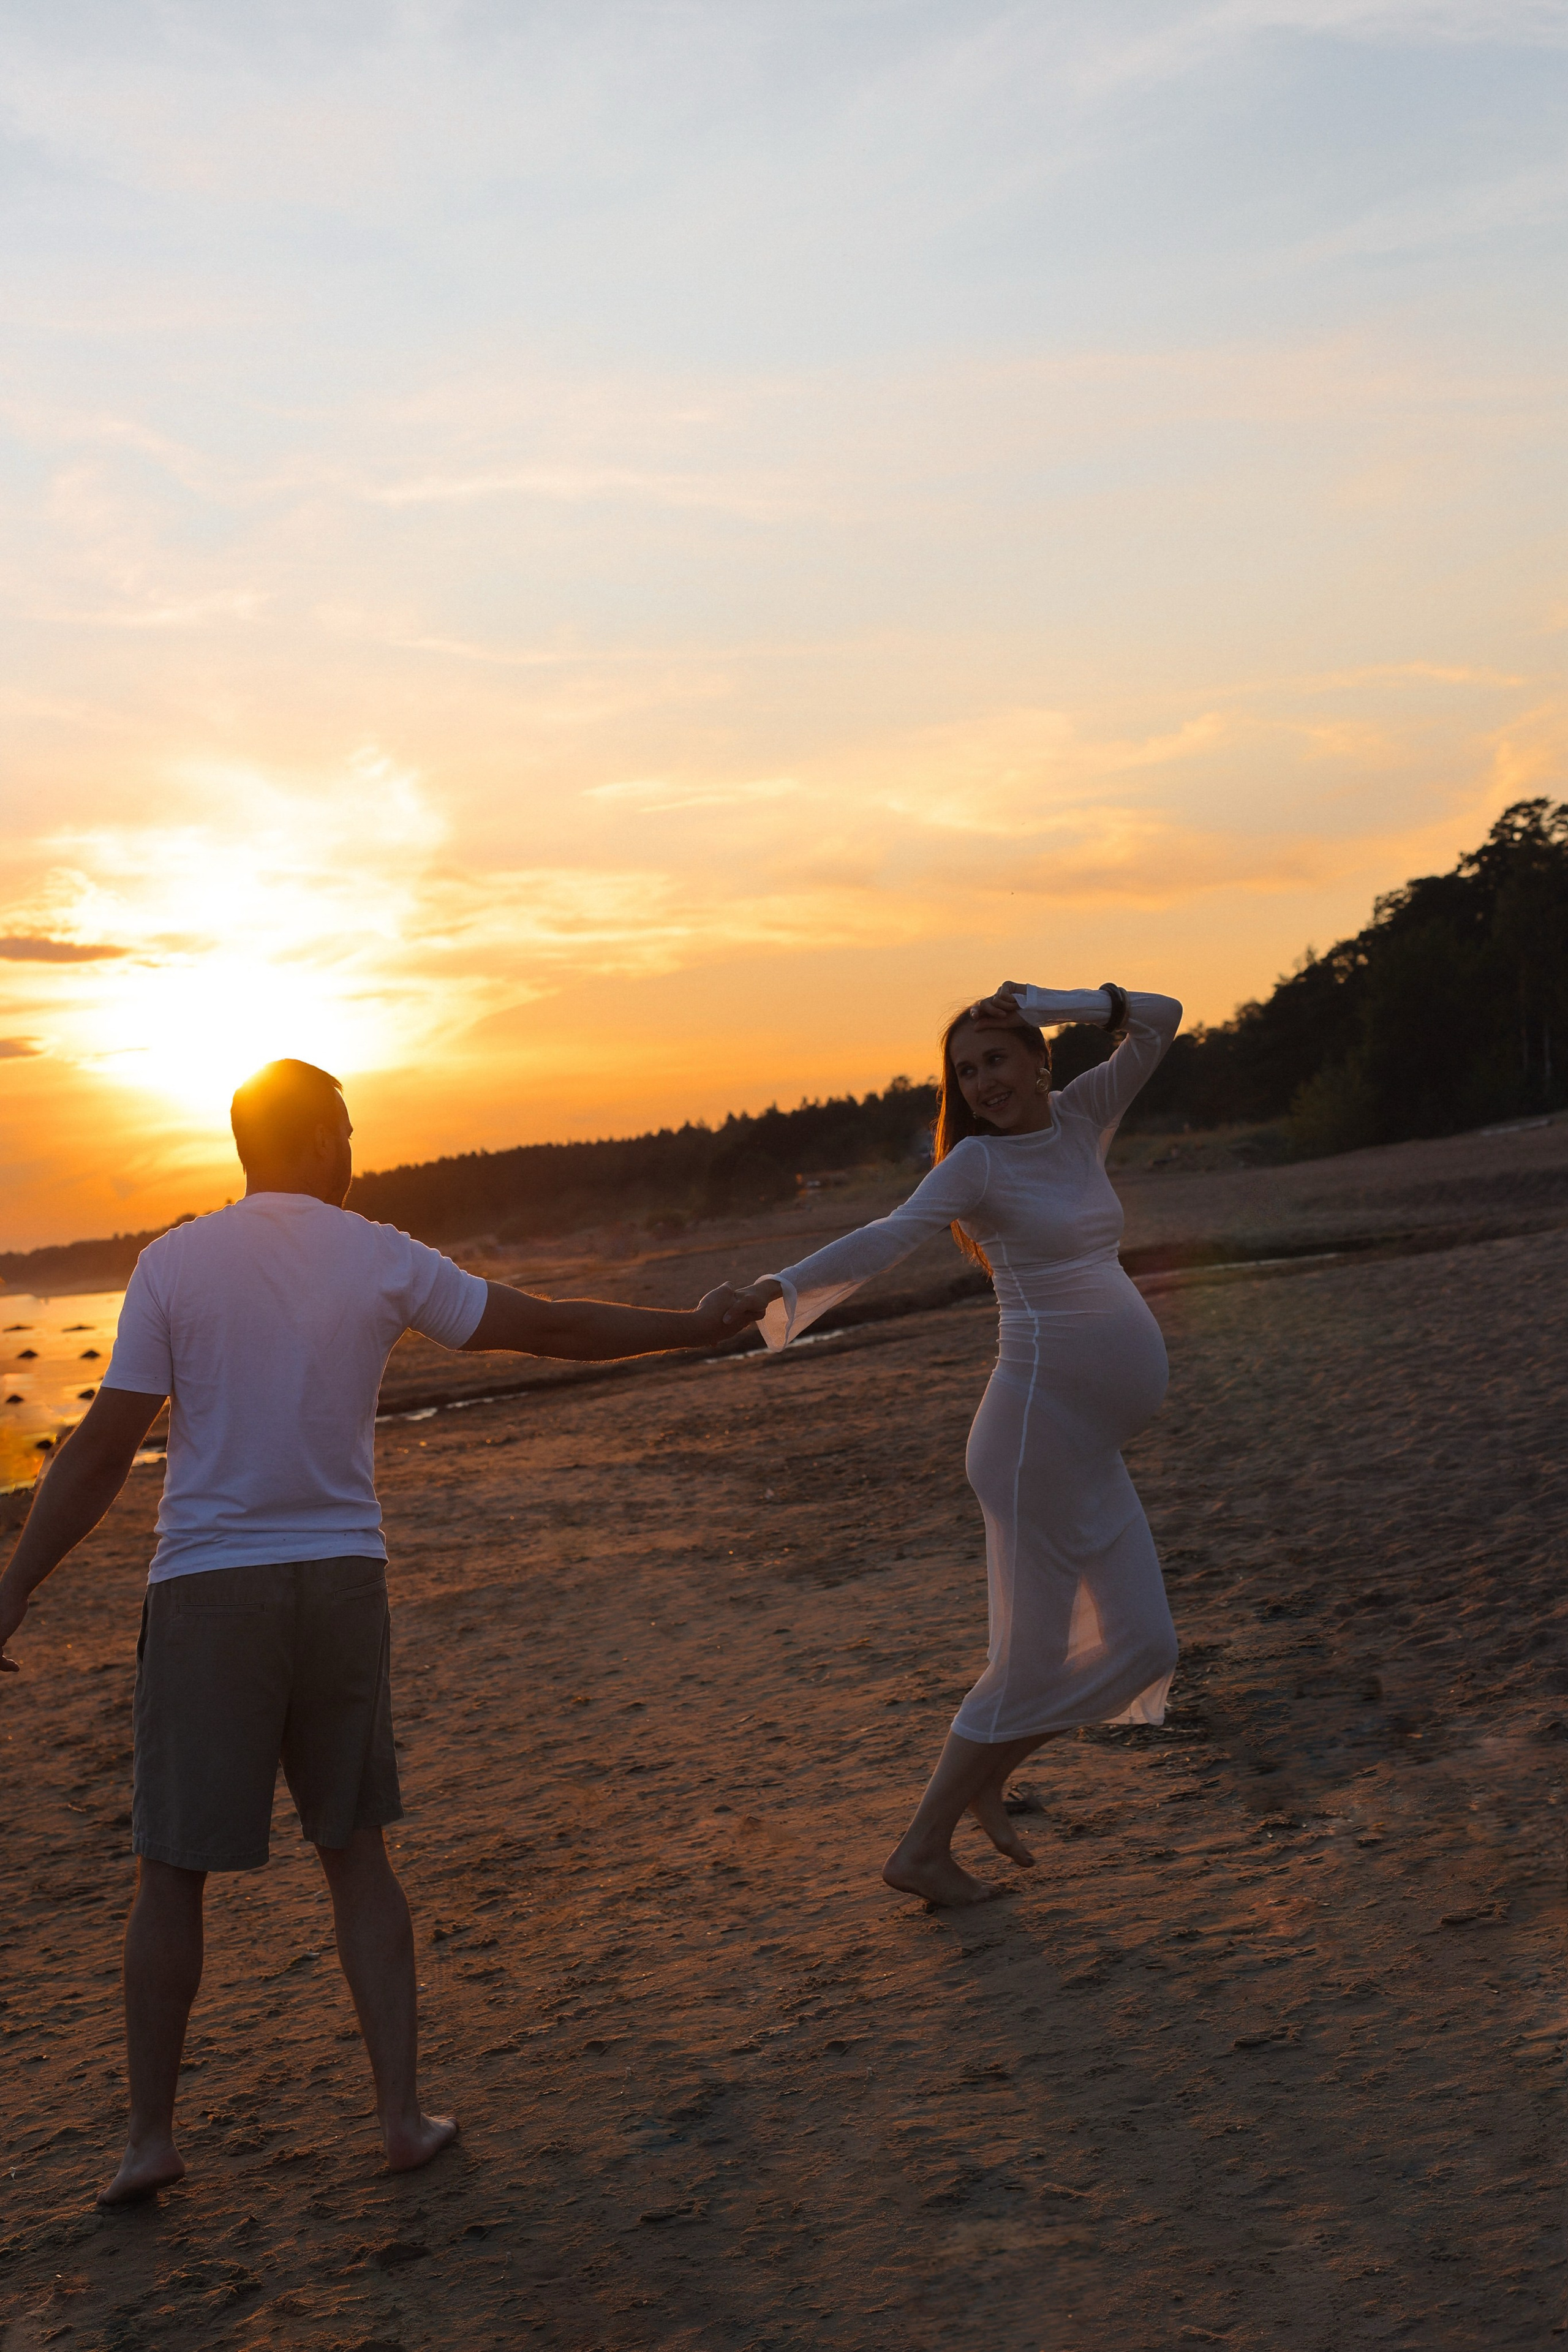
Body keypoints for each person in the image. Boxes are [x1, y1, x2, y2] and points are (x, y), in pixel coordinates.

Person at [0, 1058, 758, 2207]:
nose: (353, 1152)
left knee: (172, 1873)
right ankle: (400, 2118)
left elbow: (104, 1447)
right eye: (345, 1132)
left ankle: (150, 2140)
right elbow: (547, 1327)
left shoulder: (173, 1263)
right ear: (313, 1140)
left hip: (208, 1592)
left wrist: (17, 1585)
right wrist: (690, 1330)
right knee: (356, 1854)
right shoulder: (379, 1254)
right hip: (340, 1585)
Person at [734, 981, 1183, 1906]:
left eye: (995, 1059)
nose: (981, 1083)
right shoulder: (976, 1165)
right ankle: (922, 1848)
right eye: (965, 1072)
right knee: (1029, 1663)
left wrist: (1053, 999)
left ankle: (982, 1782)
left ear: (1038, 1059)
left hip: (1086, 1445)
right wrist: (773, 1291)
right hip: (1033, 1439)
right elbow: (887, 1235)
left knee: (1144, 1643)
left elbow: (1162, 1019)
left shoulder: (1081, 1117)